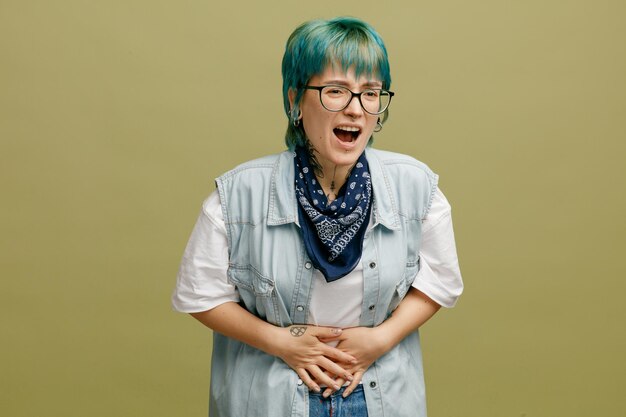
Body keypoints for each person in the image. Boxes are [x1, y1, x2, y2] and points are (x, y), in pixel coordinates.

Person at [172, 17, 463, 417]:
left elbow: (442, 281)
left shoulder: (416, 186)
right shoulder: (239, 194)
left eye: (370, 93)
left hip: (379, 395)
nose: (356, 109)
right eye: (335, 91)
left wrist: (379, 340)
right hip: (272, 399)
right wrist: (283, 342)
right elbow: (198, 294)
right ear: (295, 100)